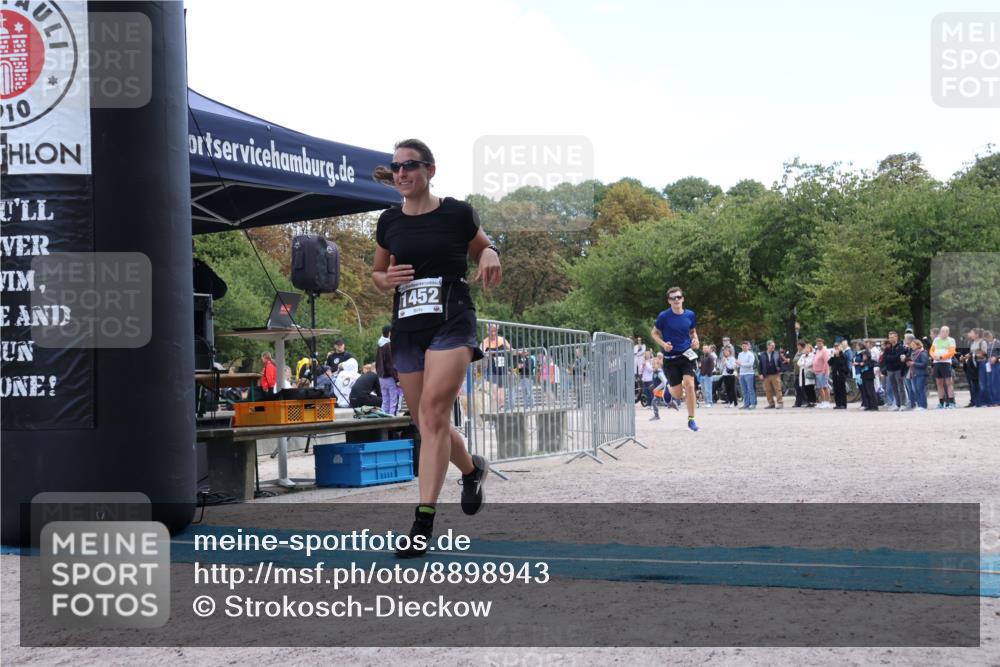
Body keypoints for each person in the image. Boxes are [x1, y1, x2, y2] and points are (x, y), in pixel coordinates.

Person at [371, 138, 501, 558]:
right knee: (429, 424)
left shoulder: (457, 213)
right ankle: (471, 468)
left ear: (430, 170)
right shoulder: (389, 221)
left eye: (410, 165)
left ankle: (422, 520)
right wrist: (384, 280)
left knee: (433, 413)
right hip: (407, 327)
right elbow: (377, 271)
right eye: (396, 167)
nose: (402, 173)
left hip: (452, 318)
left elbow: (483, 245)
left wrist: (490, 254)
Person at [649, 286, 700, 431]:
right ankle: (668, 389)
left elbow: (693, 331)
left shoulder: (690, 315)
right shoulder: (664, 316)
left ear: (682, 298)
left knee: (690, 385)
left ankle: (691, 420)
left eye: (678, 297)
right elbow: (654, 333)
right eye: (673, 298)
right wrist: (664, 345)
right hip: (670, 359)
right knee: (677, 394)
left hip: (686, 355)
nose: (676, 300)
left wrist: (696, 340)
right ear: (669, 301)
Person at [480, 323, 511, 411]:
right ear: (487, 331)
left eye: (494, 331)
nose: (493, 333)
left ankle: (502, 406)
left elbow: (511, 350)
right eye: (491, 331)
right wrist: (486, 355)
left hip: (502, 367)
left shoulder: (502, 340)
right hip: (491, 368)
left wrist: (519, 352)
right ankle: (495, 408)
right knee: (494, 389)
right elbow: (479, 354)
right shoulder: (485, 342)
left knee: (502, 389)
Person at [376, 325, 401, 415]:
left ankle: (383, 422)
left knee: (385, 401)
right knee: (394, 402)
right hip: (390, 377)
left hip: (381, 376)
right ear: (390, 333)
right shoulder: (389, 345)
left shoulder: (380, 344)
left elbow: (378, 363)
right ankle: (392, 423)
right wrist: (397, 379)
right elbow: (391, 364)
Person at [929, 325, 957, 408]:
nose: (944, 333)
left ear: (948, 332)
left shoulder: (951, 340)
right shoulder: (936, 340)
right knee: (939, 383)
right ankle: (941, 403)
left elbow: (952, 352)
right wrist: (934, 356)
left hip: (946, 363)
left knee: (949, 382)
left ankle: (951, 402)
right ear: (940, 332)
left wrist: (941, 357)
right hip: (936, 363)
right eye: (943, 331)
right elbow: (931, 350)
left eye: (946, 331)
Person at [881, 331, 907, 411]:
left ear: (896, 337)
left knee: (900, 387)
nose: (891, 339)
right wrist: (893, 357)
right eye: (890, 337)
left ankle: (903, 404)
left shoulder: (901, 347)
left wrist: (891, 358)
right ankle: (898, 404)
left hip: (898, 369)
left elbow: (899, 357)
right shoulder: (888, 348)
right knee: (894, 388)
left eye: (892, 337)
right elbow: (885, 358)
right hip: (890, 370)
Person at [758, 339, 784, 409]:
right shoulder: (762, 354)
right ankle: (771, 404)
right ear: (768, 346)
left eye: (774, 346)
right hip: (766, 375)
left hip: (775, 374)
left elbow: (780, 363)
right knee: (768, 390)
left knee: (778, 389)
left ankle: (780, 403)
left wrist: (780, 371)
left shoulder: (776, 353)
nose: (773, 347)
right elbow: (760, 365)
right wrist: (760, 374)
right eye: (772, 346)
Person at [905, 339, 929, 410]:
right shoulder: (913, 353)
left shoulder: (922, 352)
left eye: (913, 345)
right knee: (915, 390)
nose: (911, 346)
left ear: (918, 345)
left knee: (920, 389)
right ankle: (919, 405)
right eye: (911, 345)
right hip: (914, 374)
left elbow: (924, 364)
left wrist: (913, 363)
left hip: (921, 374)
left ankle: (923, 405)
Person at [854, 342, 878, 411]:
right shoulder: (862, 362)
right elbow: (860, 366)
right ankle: (869, 405)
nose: (863, 357)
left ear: (868, 356)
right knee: (866, 392)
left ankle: (874, 405)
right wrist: (860, 364)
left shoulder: (870, 361)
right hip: (864, 378)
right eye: (863, 356)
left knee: (871, 392)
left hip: (869, 378)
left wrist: (863, 364)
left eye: (864, 356)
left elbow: (872, 364)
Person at [961, 329, 981, 408]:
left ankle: (978, 400)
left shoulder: (978, 342)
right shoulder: (967, 342)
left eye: (970, 332)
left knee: (976, 384)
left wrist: (969, 356)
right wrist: (962, 357)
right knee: (971, 385)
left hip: (975, 365)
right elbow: (963, 352)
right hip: (968, 365)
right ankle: (973, 401)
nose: (968, 334)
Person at [829, 341, 850, 409]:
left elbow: (841, 363)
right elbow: (829, 363)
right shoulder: (834, 354)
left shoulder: (843, 355)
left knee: (842, 389)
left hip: (841, 374)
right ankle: (838, 403)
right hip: (835, 374)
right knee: (836, 389)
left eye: (837, 346)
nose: (836, 348)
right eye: (835, 347)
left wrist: (837, 356)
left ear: (840, 347)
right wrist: (832, 356)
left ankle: (843, 404)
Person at [737, 340, 757, 409]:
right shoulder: (740, 354)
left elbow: (750, 364)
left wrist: (741, 364)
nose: (744, 347)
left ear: (748, 347)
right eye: (743, 346)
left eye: (745, 346)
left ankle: (752, 403)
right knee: (744, 390)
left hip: (749, 373)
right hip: (742, 373)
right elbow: (738, 364)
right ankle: (746, 403)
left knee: (750, 389)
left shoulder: (751, 354)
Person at [812, 338, 831, 408]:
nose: (819, 345)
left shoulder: (824, 351)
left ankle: (827, 402)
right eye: (817, 343)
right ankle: (823, 401)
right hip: (817, 372)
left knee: (825, 387)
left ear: (823, 344)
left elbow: (826, 362)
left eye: (820, 343)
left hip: (823, 372)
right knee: (819, 387)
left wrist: (824, 371)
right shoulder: (817, 351)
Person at [797, 343, 817, 407]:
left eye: (807, 348)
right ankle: (809, 401)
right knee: (805, 388)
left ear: (810, 349)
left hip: (809, 374)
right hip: (803, 373)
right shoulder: (803, 355)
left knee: (810, 388)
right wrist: (804, 363)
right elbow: (798, 363)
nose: (806, 349)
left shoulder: (812, 355)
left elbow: (809, 363)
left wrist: (803, 363)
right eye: (805, 348)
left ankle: (813, 401)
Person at [649, 356, 668, 421]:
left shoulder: (659, 373)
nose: (652, 365)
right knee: (658, 402)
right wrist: (652, 385)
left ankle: (657, 416)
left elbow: (664, 382)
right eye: (652, 364)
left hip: (660, 390)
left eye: (654, 364)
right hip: (658, 390)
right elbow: (657, 381)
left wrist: (656, 388)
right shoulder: (655, 372)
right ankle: (670, 403)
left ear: (658, 365)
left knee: (654, 402)